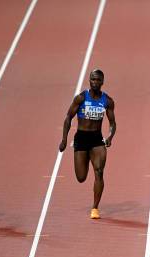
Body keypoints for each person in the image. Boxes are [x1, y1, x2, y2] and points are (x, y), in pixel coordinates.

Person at [59, 69, 116, 219]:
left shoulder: (107, 101)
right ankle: (86, 159)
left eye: (98, 80)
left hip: (97, 139)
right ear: (89, 81)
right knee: (81, 177)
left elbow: (112, 123)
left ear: (102, 82)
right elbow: (68, 118)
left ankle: (95, 208)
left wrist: (110, 136)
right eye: (93, 79)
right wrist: (64, 139)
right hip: (81, 138)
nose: (95, 82)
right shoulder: (81, 98)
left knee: (99, 171)